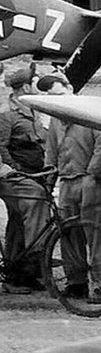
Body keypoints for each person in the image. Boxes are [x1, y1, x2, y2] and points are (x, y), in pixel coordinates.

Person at [40, 73, 101, 304]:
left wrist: (93, 173)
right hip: (66, 181)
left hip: (88, 180)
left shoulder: (90, 110)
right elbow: (51, 150)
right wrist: (49, 180)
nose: (59, 101)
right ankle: (76, 282)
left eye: (60, 94)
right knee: (68, 234)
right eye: (53, 98)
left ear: (69, 87)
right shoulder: (56, 118)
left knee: (96, 234)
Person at [0, 65, 51, 294]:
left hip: (34, 173)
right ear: (26, 86)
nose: (38, 89)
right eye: (35, 84)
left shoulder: (32, 111)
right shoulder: (7, 114)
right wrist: (15, 170)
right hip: (14, 176)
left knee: (20, 221)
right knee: (35, 202)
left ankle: (19, 273)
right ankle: (33, 258)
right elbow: (1, 148)